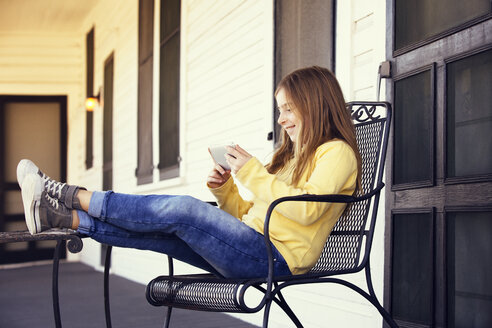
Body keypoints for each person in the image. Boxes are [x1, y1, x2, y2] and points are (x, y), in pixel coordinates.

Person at [17, 66, 361, 279]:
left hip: (275, 259)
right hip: (250, 247)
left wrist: (254, 172)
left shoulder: (337, 153)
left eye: (288, 108)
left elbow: (306, 210)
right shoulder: (288, 157)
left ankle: (65, 192)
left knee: (183, 209)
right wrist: (226, 191)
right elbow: (253, 214)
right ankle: (60, 217)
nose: (281, 119)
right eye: (280, 110)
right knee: (165, 233)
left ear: (314, 103)